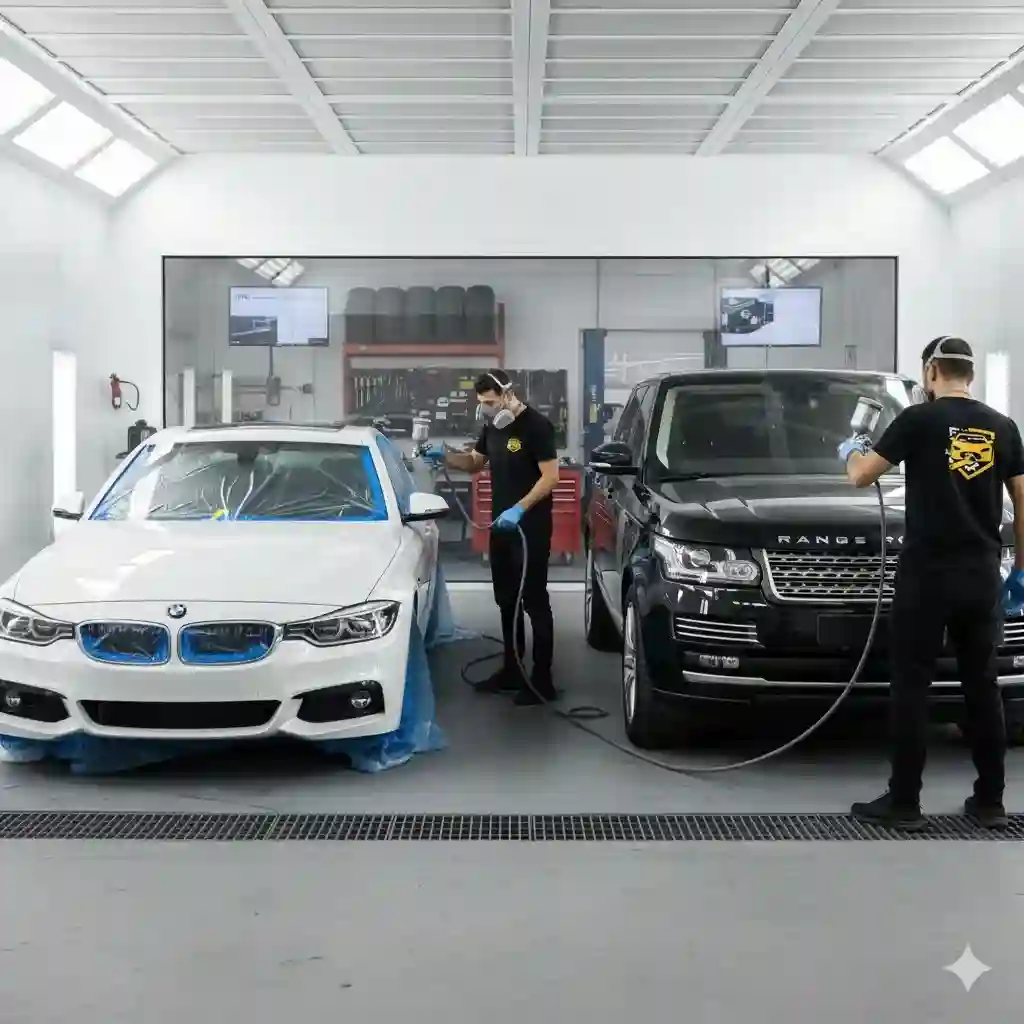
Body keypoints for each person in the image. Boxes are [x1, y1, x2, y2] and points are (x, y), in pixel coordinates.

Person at [837, 336, 1024, 830]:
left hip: (927, 576)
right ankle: (990, 802)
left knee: (913, 687)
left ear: (930, 373)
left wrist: (852, 451)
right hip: (982, 575)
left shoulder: (917, 420)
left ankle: (904, 804)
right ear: (971, 375)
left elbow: (861, 477)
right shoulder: (1003, 426)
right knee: (983, 687)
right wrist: (1021, 570)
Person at [422, 370, 560, 706]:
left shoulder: (537, 426)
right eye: (481, 403)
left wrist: (519, 509)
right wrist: (446, 456)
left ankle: (542, 680)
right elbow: (474, 462)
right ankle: (513, 671)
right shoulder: (493, 427)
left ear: (508, 394)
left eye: (490, 402)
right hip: (502, 526)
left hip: (529, 527)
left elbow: (551, 476)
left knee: (534, 601)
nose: (485, 409)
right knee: (506, 600)